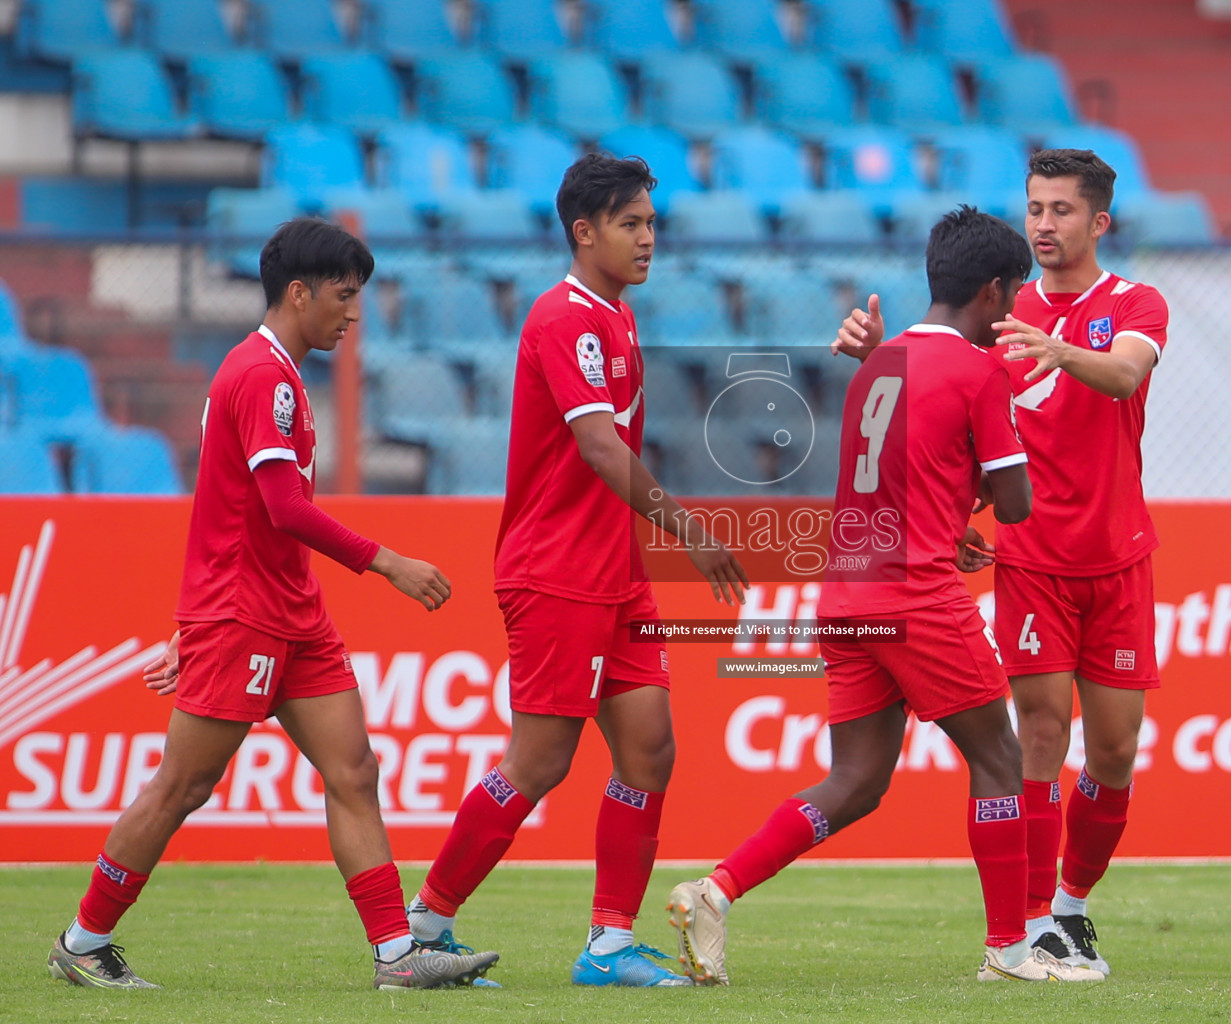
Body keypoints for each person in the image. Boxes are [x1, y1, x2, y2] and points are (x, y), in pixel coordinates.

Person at [47, 218, 500, 991]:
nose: (354, 314)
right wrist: (386, 561)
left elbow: (230, 511)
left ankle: (398, 955)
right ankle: (83, 941)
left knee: (353, 769)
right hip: (247, 615)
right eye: (345, 296)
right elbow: (283, 508)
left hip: (292, 612)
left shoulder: (277, 374)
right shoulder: (262, 376)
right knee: (182, 785)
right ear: (301, 293)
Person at [666, 207, 1103, 987]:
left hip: (845, 592)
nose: (1012, 316)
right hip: (916, 594)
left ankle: (715, 890)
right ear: (995, 292)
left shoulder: (880, 362)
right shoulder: (980, 373)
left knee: (857, 782)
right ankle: (1009, 949)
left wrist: (945, 515)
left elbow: (904, 471)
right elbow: (1018, 504)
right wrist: (975, 501)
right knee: (1001, 758)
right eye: (1012, 301)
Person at [404, 154, 750, 988]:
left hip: (615, 573)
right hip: (556, 570)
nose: (647, 239)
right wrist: (690, 531)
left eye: (652, 224)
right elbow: (600, 446)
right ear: (583, 231)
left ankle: (606, 946)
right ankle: (427, 922)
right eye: (631, 224)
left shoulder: (618, 318)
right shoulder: (566, 318)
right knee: (541, 761)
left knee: (650, 749)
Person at [833, 150, 1169, 977]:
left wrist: (1060, 355)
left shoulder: (1133, 304)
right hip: (1028, 560)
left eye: (1062, 210)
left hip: (1119, 556)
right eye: (1035, 209)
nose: (1045, 224)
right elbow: (931, 406)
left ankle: (1072, 907)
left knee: (1116, 752)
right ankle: (1027, 929)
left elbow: (1127, 376)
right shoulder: (990, 318)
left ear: (1100, 222)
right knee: (1041, 736)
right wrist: (879, 353)